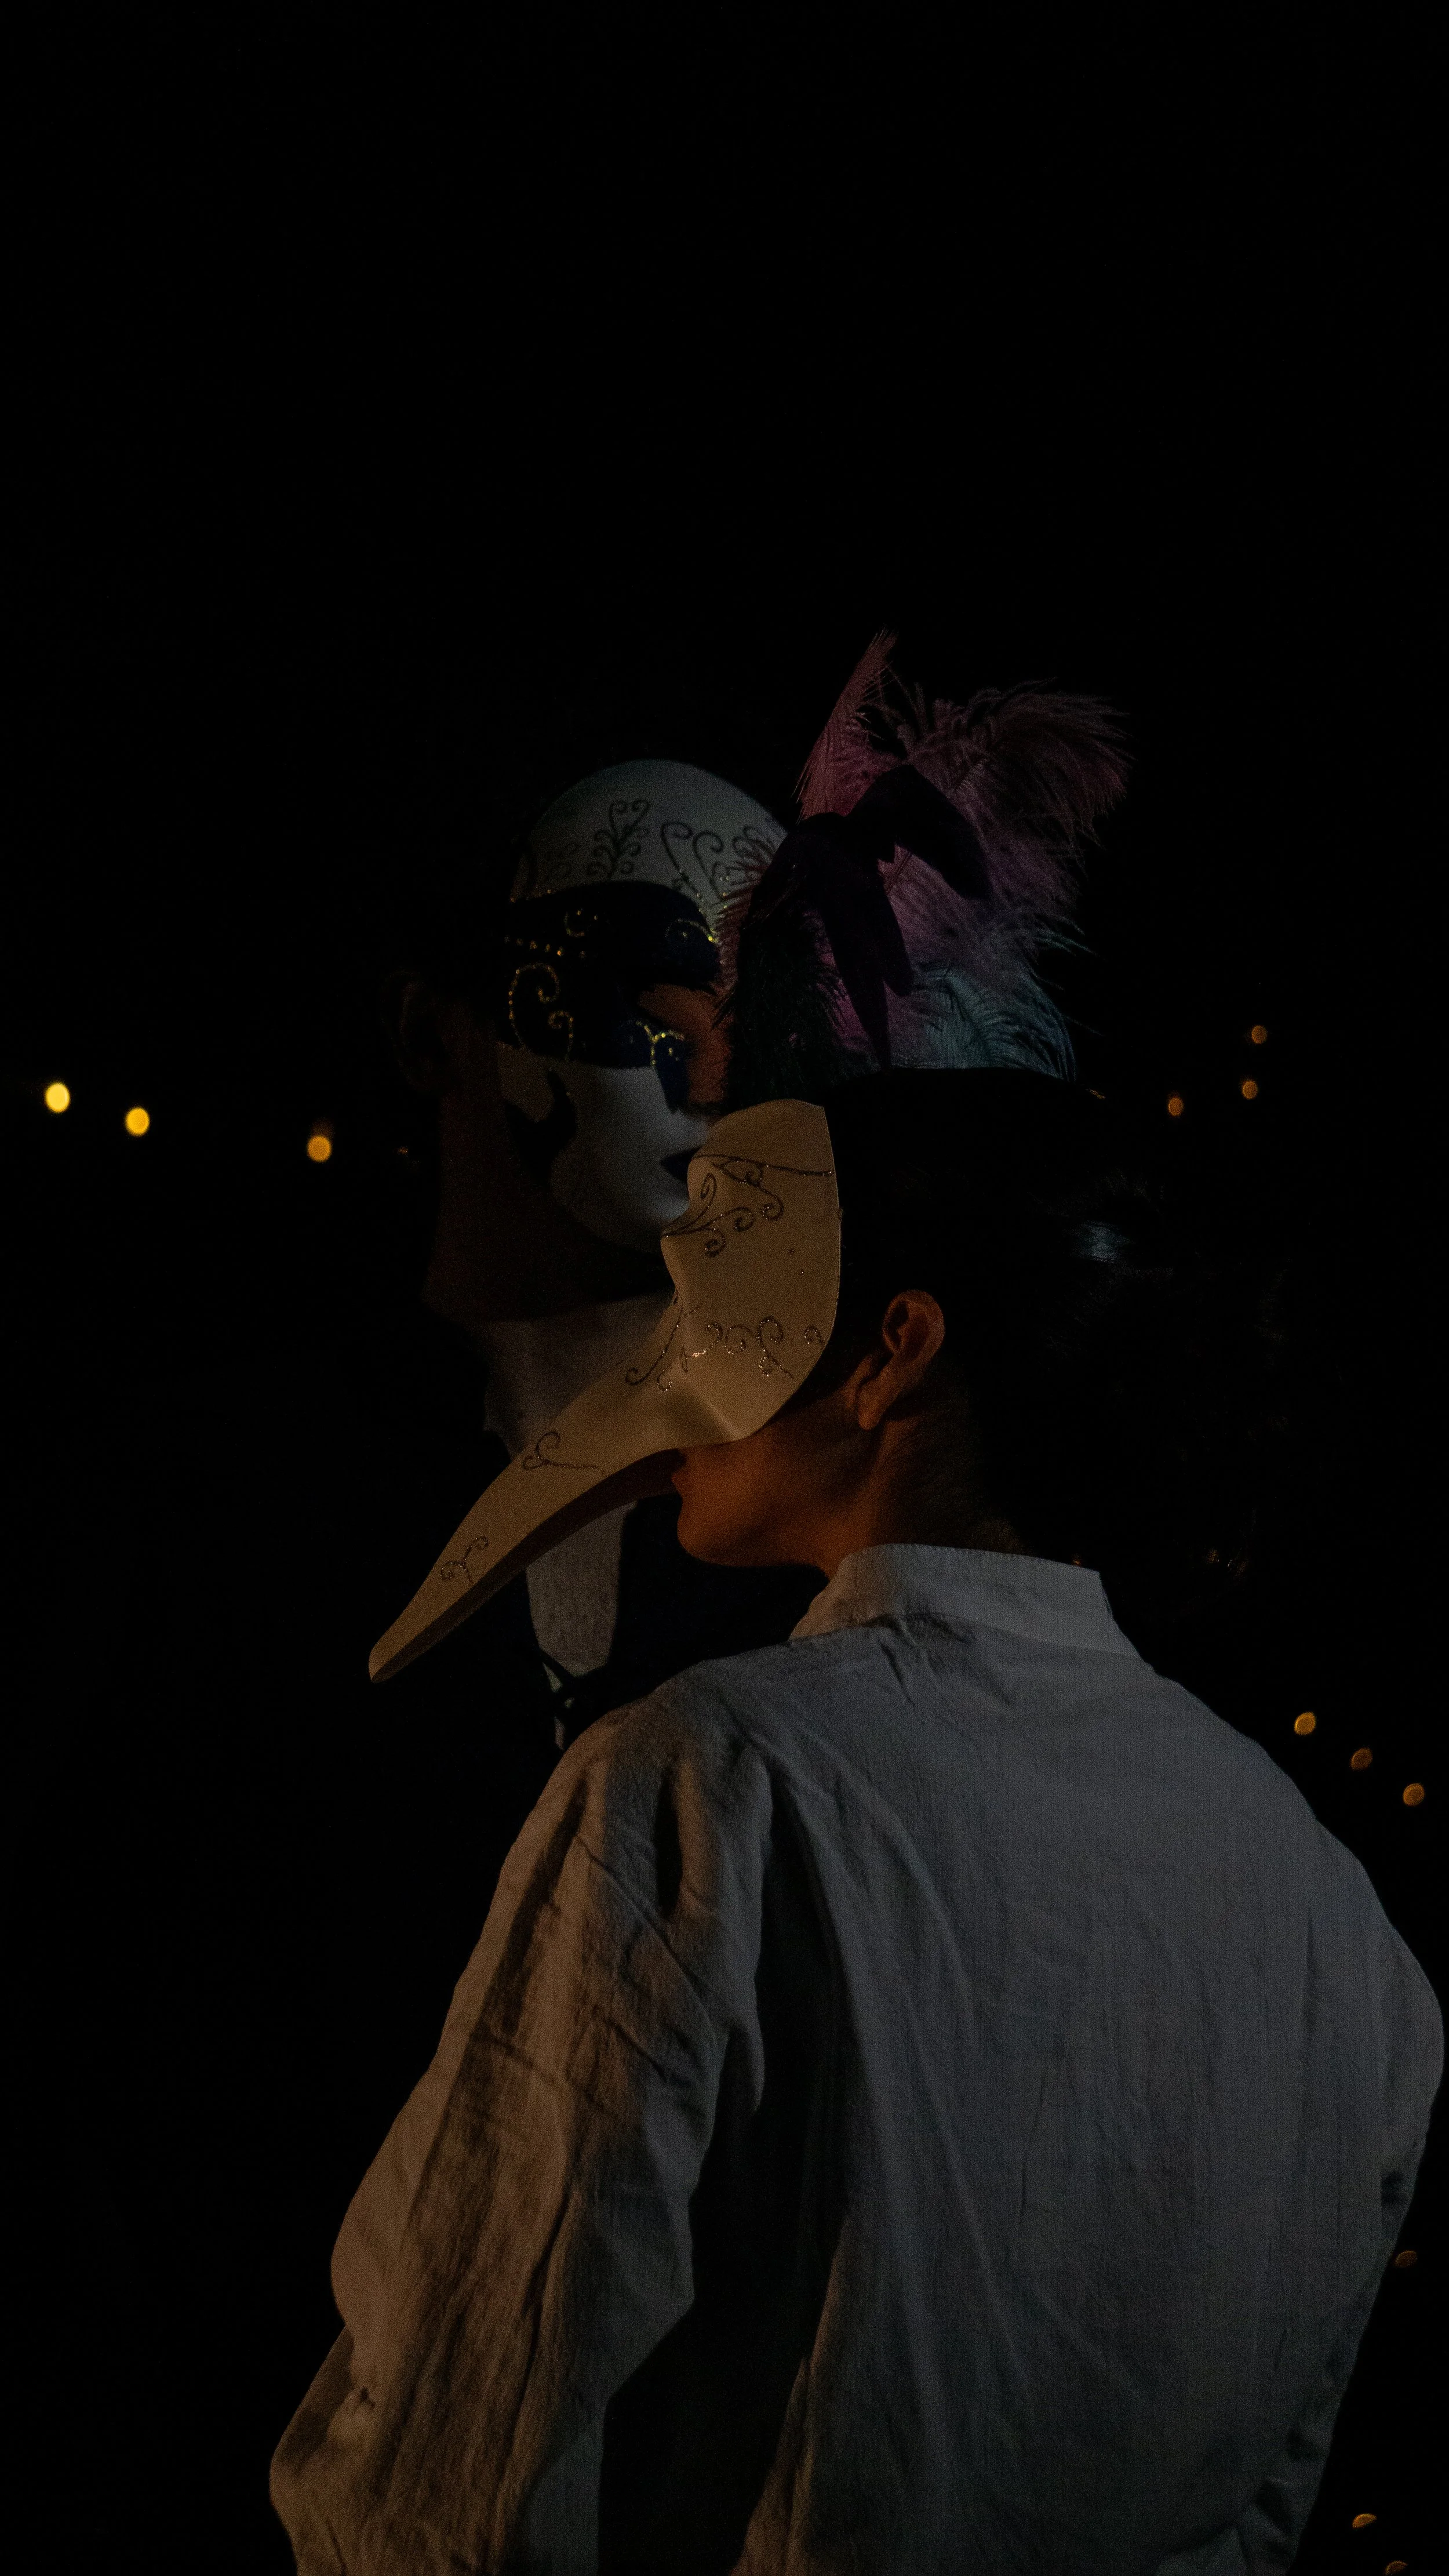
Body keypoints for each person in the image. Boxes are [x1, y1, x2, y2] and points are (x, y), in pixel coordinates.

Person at [271, 1069, 1442, 2574]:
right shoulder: (1341, 1926)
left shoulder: (719, 1782)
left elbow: (452, 2463)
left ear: (893, 1349)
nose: (662, 1331)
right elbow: (1257, 2511)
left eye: (725, 1263)